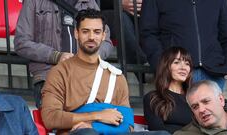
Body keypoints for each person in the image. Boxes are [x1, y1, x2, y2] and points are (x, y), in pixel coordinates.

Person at [41, 8, 171, 135]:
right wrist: (97, 115)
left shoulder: (116, 76)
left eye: (97, 32)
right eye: (85, 31)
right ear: (76, 33)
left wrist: (95, 126)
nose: (91, 37)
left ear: (104, 35)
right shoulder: (59, 72)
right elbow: (50, 118)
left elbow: (128, 124)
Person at [14, 0, 114, 108]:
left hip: (86, 78)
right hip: (49, 77)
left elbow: (106, 41)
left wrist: (87, 59)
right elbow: (21, 43)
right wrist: (56, 56)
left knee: (95, 121)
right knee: (58, 119)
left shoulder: (88, 2)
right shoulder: (34, 2)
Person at [140, 0, 227, 90]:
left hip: (213, 73)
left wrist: (226, 67)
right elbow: (148, 34)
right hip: (175, 73)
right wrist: (162, 66)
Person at [143, 47, 193, 134]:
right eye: (177, 62)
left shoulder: (195, 97)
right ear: (166, 67)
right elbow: (158, 131)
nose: (183, 67)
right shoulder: (153, 98)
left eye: (187, 64)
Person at [100, 0, 147, 65]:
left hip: (143, 15)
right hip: (109, 11)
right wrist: (119, 3)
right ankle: (142, 66)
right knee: (121, 20)